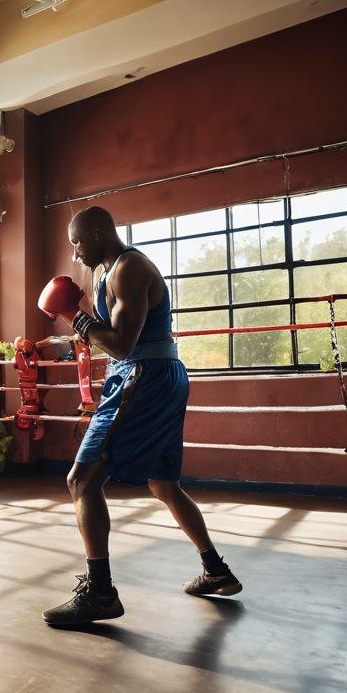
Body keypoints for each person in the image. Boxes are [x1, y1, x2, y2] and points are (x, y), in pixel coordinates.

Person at [38, 205, 242, 627]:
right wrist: (83, 317)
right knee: (164, 483)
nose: (74, 253)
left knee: (82, 480)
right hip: (156, 375)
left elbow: (122, 345)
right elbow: (110, 334)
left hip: (142, 374)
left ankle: (100, 593)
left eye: (77, 242)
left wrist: (72, 316)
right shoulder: (104, 272)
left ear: (97, 233)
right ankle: (216, 570)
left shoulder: (128, 269)